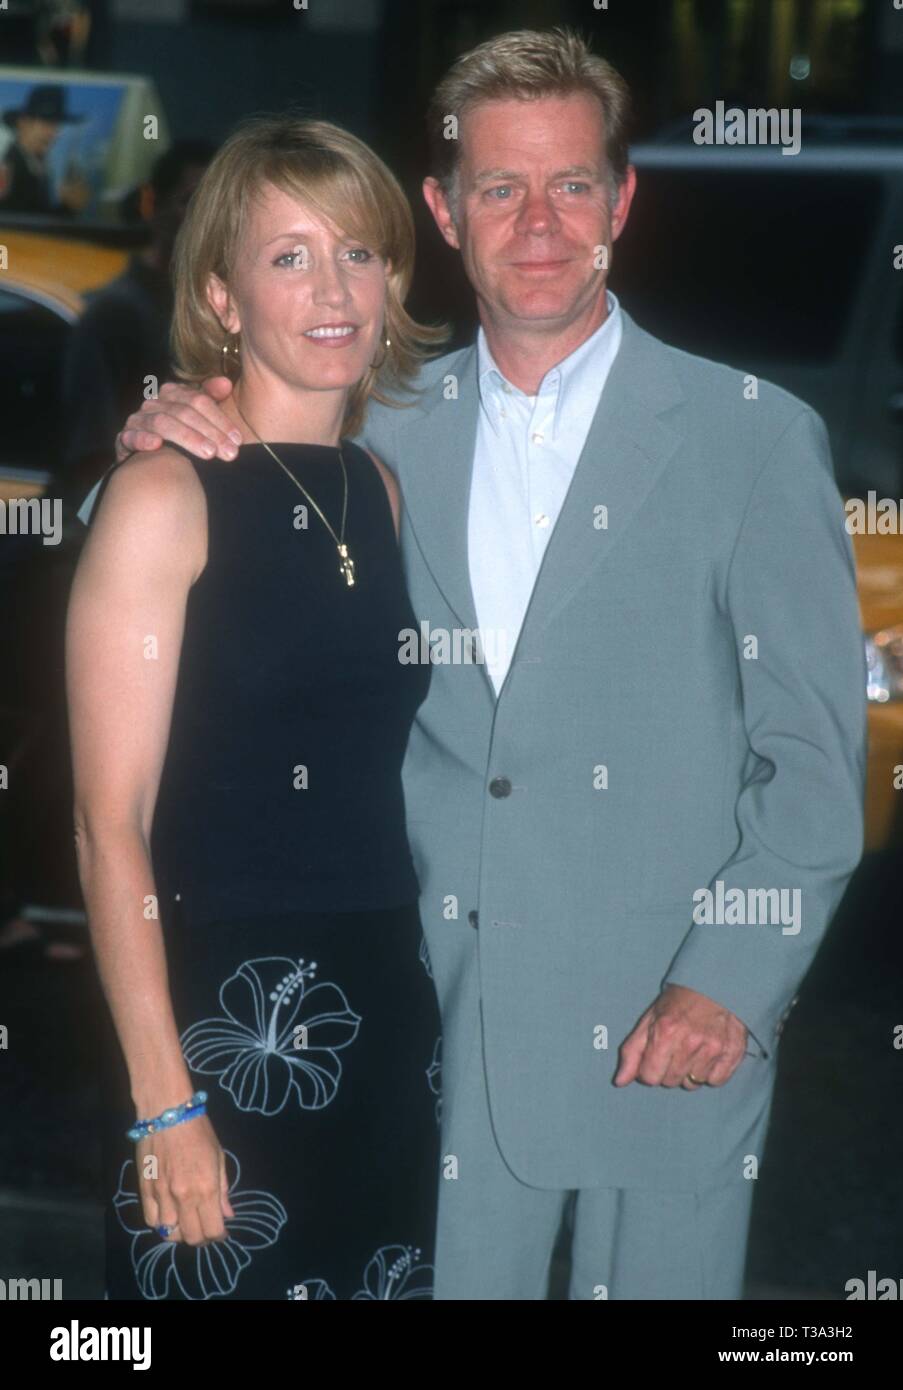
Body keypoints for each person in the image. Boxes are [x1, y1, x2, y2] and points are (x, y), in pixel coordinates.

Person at [93, 27, 867, 1301]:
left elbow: (815, 771)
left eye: (571, 183)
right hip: (430, 1040)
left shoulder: (756, 440)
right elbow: (228, 470)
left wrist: (727, 985)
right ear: (447, 212)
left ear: (622, 200)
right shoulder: (383, 429)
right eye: (500, 187)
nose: (540, 221)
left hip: (666, 1039)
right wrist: (170, 411)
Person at [66, 113, 445, 1301]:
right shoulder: (162, 494)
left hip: (383, 1011)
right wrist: (163, 1098)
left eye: (359, 252)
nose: (333, 290)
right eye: (289, 257)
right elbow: (106, 822)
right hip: (221, 1019)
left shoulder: (379, 484)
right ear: (223, 296)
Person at [59, 140, 215, 514]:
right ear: (154, 206)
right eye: (191, 202)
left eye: (217, 207)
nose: (205, 221)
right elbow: (88, 458)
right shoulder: (116, 315)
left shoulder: (218, 308)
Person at [0, 84, 89, 215]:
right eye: (47, 124)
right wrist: (68, 208)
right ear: (23, 123)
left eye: (56, 125)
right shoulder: (12, 166)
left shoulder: (37, 164)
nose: (54, 134)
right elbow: (19, 222)